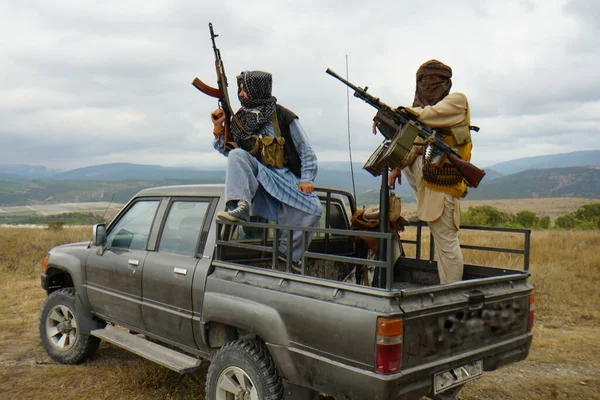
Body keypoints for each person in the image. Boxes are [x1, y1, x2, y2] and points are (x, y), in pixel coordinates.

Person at [210, 70, 321, 271]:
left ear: (257, 90)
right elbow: (227, 152)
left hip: (283, 177)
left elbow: (306, 150)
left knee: (314, 208)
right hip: (257, 177)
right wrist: (219, 129)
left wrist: (307, 179)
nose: (241, 95)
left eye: (245, 90)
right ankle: (240, 205)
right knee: (236, 155)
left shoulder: (282, 115)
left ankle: (288, 256)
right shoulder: (240, 119)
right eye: (240, 90)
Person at [383, 59, 474, 284]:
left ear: (446, 82)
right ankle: (447, 292)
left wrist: (399, 112)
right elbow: (415, 143)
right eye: (423, 81)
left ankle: (450, 296)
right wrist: (398, 167)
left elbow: (428, 113)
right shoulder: (427, 119)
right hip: (429, 186)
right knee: (443, 243)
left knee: (446, 245)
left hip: (443, 186)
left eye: (434, 80)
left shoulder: (456, 102)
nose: (428, 85)